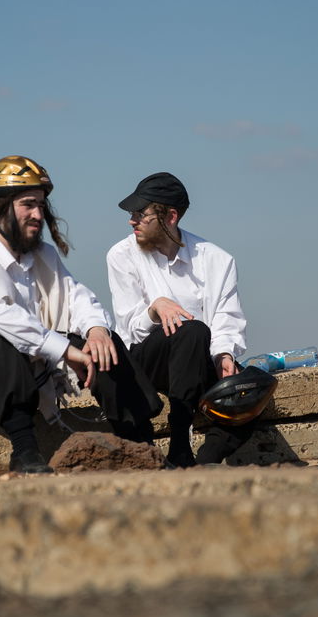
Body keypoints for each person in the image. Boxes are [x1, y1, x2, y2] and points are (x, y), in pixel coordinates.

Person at [0, 155, 162, 474]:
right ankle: (25, 452)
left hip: (16, 376)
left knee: (101, 341)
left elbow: (76, 296)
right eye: (28, 205)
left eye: (41, 206)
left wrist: (96, 330)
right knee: (3, 339)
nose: (38, 214)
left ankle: (139, 441)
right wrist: (65, 351)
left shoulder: (42, 256)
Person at [106, 172, 247, 468]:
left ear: (170, 216)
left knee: (247, 388)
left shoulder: (217, 259)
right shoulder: (121, 255)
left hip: (198, 361)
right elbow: (130, 329)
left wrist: (224, 354)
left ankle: (204, 461)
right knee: (192, 330)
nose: (132, 220)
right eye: (132, 213)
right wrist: (154, 308)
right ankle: (180, 442)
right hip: (147, 361)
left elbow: (226, 318)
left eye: (141, 214)